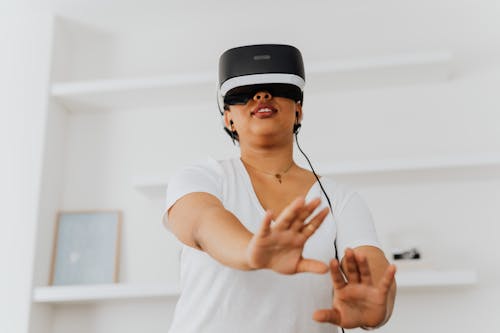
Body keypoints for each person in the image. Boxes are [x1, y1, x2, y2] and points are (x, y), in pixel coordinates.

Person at [162, 44, 396, 333]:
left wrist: (377, 307)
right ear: (228, 119)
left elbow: (371, 267)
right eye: (243, 95)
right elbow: (201, 224)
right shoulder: (202, 177)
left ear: (298, 110)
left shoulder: (340, 198)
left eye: (276, 89)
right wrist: (253, 252)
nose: (261, 96)